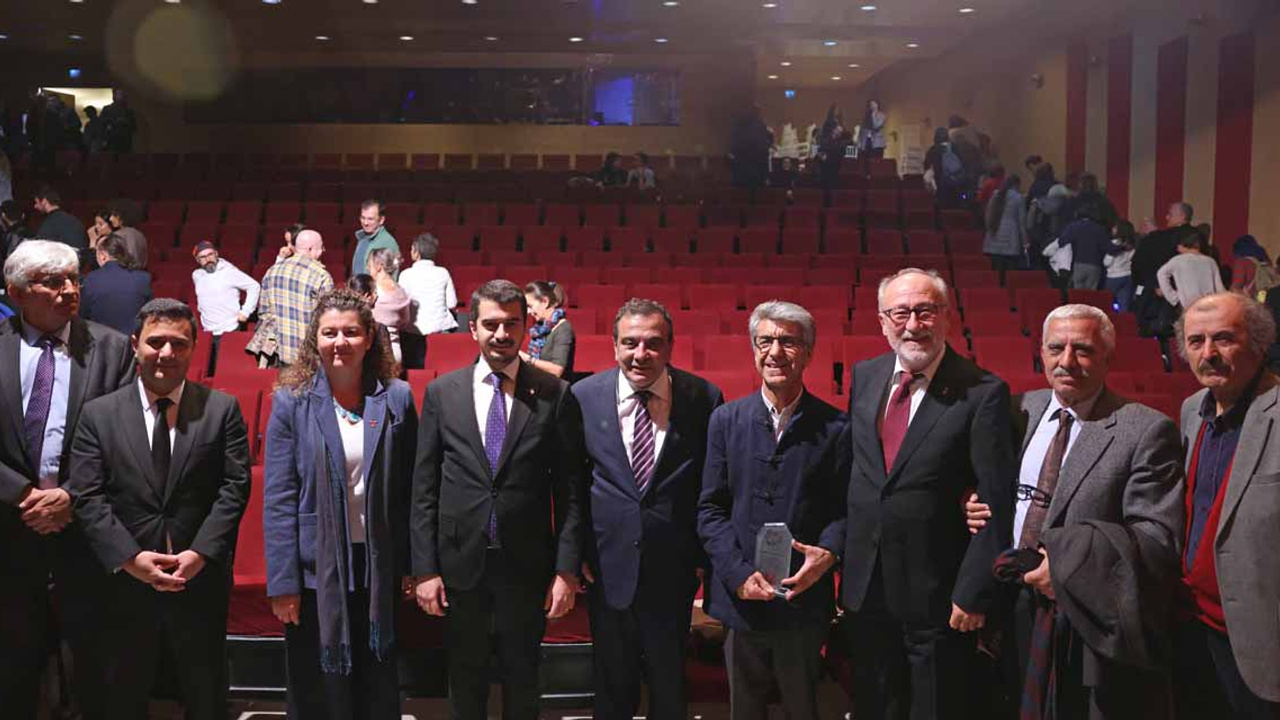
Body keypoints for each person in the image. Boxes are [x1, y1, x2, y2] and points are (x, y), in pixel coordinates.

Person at [964, 305, 1186, 717]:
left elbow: (1157, 537)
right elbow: (980, 482)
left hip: (1079, 615)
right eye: (1056, 348)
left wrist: (1068, 570)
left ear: (1107, 357)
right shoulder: (1015, 411)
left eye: (1082, 350)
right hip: (1004, 598)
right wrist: (970, 503)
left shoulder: (1145, 430)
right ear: (1042, 353)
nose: (1067, 362)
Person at [841, 268, 1017, 719]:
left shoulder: (983, 392)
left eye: (925, 311)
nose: (913, 324)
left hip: (938, 590)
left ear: (947, 318)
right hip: (867, 585)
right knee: (875, 704)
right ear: (882, 321)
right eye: (900, 312)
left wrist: (975, 590)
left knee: (933, 708)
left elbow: (997, 499)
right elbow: (864, 474)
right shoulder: (866, 375)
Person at [65, 298, 251, 720]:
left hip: (198, 579)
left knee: (204, 695)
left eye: (178, 343)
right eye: (156, 342)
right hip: (123, 583)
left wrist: (200, 554)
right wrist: (130, 559)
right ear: (135, 344)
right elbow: (88, 495)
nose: (166, 353)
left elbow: (234, 487)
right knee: (123, 695)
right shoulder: (98, 415)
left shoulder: (221, 410)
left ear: (193, 347)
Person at [410, 279, 587, 720]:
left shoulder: (555, 395)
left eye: (512, 324)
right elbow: (424, 488)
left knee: (522, 675)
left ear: (527, 326)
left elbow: (570, 492)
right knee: (465, 676)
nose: (502, 334)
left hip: (526, 564)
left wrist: (566, 569)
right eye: (491, 324)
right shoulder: (441, 393)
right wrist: (425, 569)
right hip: (458, 562)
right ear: (472, 328)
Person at [264, 288, 417, 720]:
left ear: (370, 338)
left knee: (375, 683)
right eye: (329, 332)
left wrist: (410, 563)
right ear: (316, 338)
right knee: (318, 690)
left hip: (377, 562)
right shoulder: (291, 403)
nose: (340, 342)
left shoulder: (396, 398)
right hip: (316, 570)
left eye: (351, 332)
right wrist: (283, 582)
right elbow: (278, 497)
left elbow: (410, 490)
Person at [0, 240, 134, 720]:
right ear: (17, 292)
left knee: (94, 667)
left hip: (88, 533)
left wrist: (69, 497)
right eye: (53, 282)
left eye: (74, 279)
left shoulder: (113, 349)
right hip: (8, 535)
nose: (69, 290)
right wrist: (24, 495)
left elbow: (124, 439)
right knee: (12, 666)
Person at [573, 298, 724, 720]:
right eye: (630, 343)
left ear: (671, 346)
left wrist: (701, 557)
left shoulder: (703, 397)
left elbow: (709, 485)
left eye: (653, 344)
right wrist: (576, 552)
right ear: (614, 346)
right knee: (611, 685)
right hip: (605, 564)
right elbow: (573, 484)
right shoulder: (583, 397)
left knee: (669, 684)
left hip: (672, 569)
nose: (641, 355)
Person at [698, 301, 849, 720]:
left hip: (803, 599)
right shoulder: (725, 420)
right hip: (741, 598)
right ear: (753, 349)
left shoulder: (837, 428)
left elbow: (845, 510)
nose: (775, 352)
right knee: (744, 711)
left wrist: (828, 556)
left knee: (804, 709)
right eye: (765, 341)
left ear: (809, 352)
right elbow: (709, 509)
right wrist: (738, 574)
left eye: (789, 342)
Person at [1173, 292, 1280, 716]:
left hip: (1261, 635)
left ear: (1258, 342)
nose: (1209, 353)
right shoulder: (1189, 411)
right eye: (1196, 341)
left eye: (1223, 339)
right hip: (1193, 626)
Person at [257, 229, 334, 366]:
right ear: (311, 249)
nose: (323, 250)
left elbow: (264, 314)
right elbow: (328, 320)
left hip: (278, 354)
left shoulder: (272, 270)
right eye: (321, 247)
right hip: (309, 357)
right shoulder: (321, 276)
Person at [1132, 201, 1200, 332]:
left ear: (1182, 216)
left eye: (1170, 214)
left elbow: (1159, 270)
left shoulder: (1166, 240)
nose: (1166, 218)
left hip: (1168, 296)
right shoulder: (1200, 247)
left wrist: (1166, 291)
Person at [81, 232, 153, 336]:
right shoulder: (143, 278)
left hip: (102, 343)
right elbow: (149, 315)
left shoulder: (92, 278)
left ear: (102, 256)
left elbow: (83, 315)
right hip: (134, 343)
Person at [191, 240, 260, 337]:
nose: (208, 259)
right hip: (207, 331)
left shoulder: (229, 271)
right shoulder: (197, 275)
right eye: (203, 257)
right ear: (197, 260)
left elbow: (254, 286)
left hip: (230, 329)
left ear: (216, 254)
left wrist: (246, 312)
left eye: (210, 254)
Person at [398, 233, 459, 336]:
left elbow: (400, 304)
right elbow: (452, 304)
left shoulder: (405, 274)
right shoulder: (443, 272)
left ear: (417, 253)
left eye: (412, 249)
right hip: (441, 330)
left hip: (413, 332)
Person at [365, 248, 415, 366]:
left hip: (377, 350)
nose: (368, 268)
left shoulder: (374, 291)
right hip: (396, 351)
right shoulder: (400, 291)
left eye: (370, 265)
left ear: (379, 266)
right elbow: (405, 321)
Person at [520, 280, 575, 378]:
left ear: (545, 302)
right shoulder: (540, 329)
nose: (528, 311)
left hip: (556, 389)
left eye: (530, 306)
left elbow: (557, 370)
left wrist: (527, 359)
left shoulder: (563, 328)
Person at [1157, 234, 1225, 312]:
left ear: (1184, 245)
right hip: (1208, 304)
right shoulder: (1210, 261)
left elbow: (1161, 274)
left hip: (1187, 304)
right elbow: (1219, 287)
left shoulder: (1178, 260)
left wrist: (1173, 297)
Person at [1058, 205, 1112, 290]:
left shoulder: (1073, 226)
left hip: (1078, 264)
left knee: (1078, 294)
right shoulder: (1099, 228)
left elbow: (1061, 241)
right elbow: (1108, 247)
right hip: (1095, 265)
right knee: (1091, 295)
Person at [982, 174, 1026, 274]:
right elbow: (1022, 222)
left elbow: (988, 215)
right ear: (1016, 185)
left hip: (994, 235)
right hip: (1011, 238)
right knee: (1011, 274)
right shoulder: (1019, 198)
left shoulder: (995, 195)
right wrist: (1025, 242)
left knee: (997, 273)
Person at [32, 184, 88, 259]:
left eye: (36, 202)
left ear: (44, 201)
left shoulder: (48, 224)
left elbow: (41, 251)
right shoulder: (75, 221)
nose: (35, 206)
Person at [351, 200, 398, 278]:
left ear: (381, 220)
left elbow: (392, 277)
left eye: (370, 219)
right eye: (363, 218)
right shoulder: (362, 239)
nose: (365, 223)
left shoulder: (388, 242)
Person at [1230, 234, 1278, 299]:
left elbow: (1236, 288)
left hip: (1251, 302)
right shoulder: (1264, 261)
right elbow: (1264, 287)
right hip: (1267, 300)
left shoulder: (1242, 262)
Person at [817, 105, 851, 194]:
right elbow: (821, 148)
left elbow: (847, 141)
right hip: (825, 161)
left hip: (835, 161)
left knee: (833, 183)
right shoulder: (827, 127)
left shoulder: (842, 136)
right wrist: (822, 155)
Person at [1104, 221, 1137, 311]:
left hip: (1113, 276)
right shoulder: (1132, 245)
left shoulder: (1114, 243)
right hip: (1127, 275)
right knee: (1124, 305)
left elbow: (1107, 262)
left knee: (1107, 303)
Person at [99, 89, 137, 154]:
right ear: (114, 96)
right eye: (118, 94)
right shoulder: (107, 109)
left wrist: (125, 123)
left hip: (125, 141)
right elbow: (101, 124)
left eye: (122, 94)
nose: (120, 96)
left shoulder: (129, 112)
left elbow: (133, 127)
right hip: (111, 141)